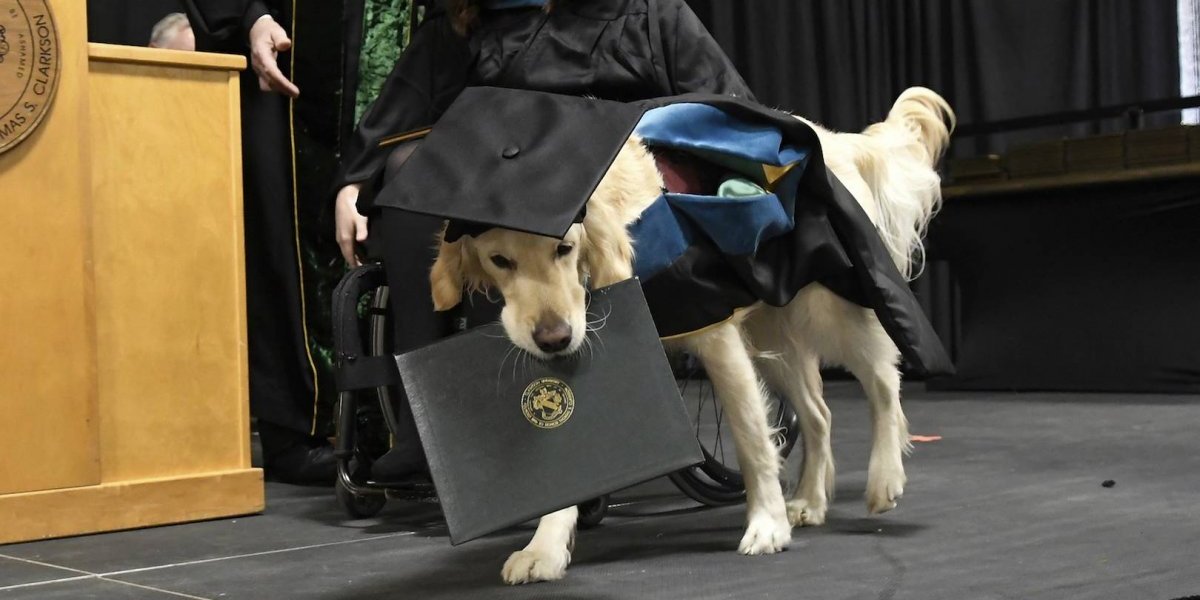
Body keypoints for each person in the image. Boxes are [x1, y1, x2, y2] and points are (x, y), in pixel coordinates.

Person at [332, 0, 755, 481]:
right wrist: (354, 180)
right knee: (407, 171)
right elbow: (401, 108)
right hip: (498, 186)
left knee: (518, 207)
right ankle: (424, 427)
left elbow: (723, 107)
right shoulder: (467, 20)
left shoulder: (647, 12)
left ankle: (526, 433)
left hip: (609, 180)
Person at [183, 1, 333, 484]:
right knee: (277, 227)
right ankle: (295, 430)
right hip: (275, 58)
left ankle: (386, 425)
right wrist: (252, 16)